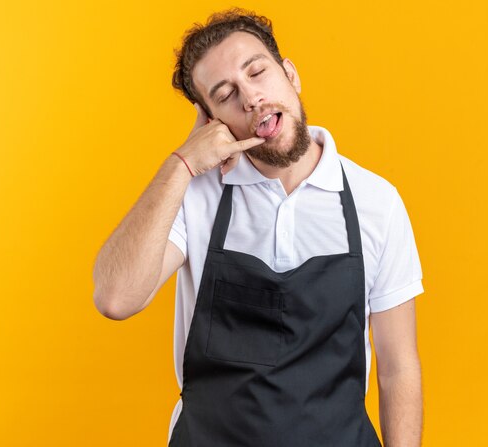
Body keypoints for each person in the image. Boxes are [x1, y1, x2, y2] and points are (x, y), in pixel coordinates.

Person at [93, 7, 424, 447]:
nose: (250, 98)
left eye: (257, 72)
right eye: (226, 94)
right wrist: (182, 163)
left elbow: (398, 368)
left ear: (290, 74)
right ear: (212, 123)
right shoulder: (197, 195)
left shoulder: (375, 201)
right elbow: (115, 298)